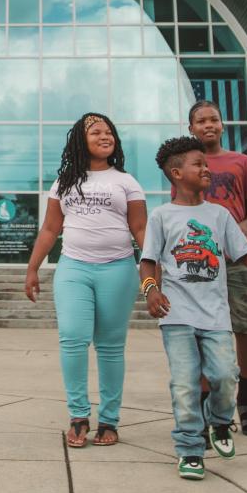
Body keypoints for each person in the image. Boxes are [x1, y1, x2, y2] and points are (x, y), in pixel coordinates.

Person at [24, 112, 146, 448]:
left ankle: (109, 419)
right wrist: (32, 268)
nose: (105, 136)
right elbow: (50, 229)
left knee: (109, 347)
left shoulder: (127, 181)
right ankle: (78, 416)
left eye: (110, 132)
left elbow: (139, 229)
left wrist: (153, 268)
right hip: (74, 269)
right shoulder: (63, 183)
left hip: (118, 269)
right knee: (73, 338)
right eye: (96, 132)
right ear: (81, 139)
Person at [141, 136, 247, 480]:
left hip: (216, 315)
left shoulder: (219, 215)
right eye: (199, 165)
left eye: (206, 164)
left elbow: (244, 253)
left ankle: (220, 422)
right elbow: (147, 261)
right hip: (176, 315)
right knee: (185, 383)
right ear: (176, 173)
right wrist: (151, 291)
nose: (207, 170)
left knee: (223, 374)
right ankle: (190, 448)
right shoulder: (161, 215)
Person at [187, 100, 247, 435]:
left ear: (222, 124)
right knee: (201, 332)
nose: (208, 125)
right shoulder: (186, 165)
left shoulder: (242, 162)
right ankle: (207, 403)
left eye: (213, 120)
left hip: (237, 260)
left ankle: (245, 399)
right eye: (201, 121)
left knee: (246, 327)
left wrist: (240, 230)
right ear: (191, 127)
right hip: (201, 263)